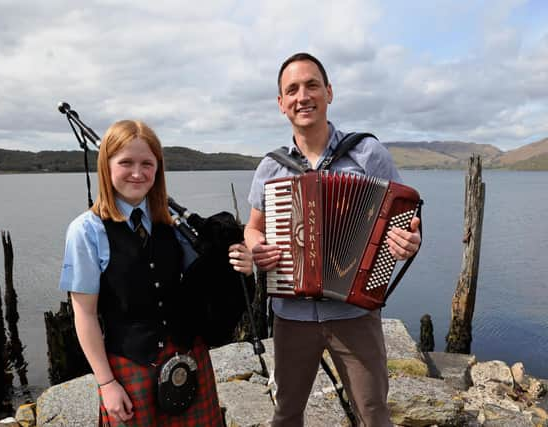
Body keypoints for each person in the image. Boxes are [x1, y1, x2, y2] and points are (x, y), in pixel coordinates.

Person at [244, 53, 422, 427]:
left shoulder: (367, 154)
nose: (302, 96)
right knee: (287, 411)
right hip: (291, 317)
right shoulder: (271, 167)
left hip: (355, 313)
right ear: (281, 103)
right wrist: (256, 245)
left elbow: (405, 219)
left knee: (374, 412)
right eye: (291, 89)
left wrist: (408, 241)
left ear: (329, 92)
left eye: (311, 85)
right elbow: (253, 226)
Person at [59, 119, 253, 426]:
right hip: (130, 366)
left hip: (189, 357)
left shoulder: (172, 222)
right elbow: (84, 314)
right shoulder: (86, 231)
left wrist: (240, 261)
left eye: (147, 163)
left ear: (158, 169)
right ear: (106, 166)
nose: (138, 173)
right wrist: (106, 383)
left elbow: (206, 275)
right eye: (126, 163)